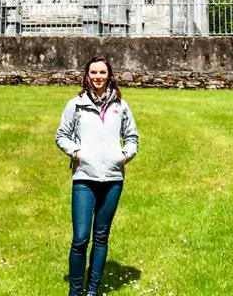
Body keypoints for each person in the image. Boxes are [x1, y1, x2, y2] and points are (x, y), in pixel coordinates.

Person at [55, 56, 139, 296]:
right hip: (84, 177)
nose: (98, 77)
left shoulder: (120, 106)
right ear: (87, 75)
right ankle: (75, 291)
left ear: (109, 75)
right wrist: (77, 153)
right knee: (80, 238)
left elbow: (132, 137)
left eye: (102, 72)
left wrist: (123, 156)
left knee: (101, 237)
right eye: (94, 72)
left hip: (113, 178)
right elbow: (61, 135)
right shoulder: (76, 104)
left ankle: (92, 290)